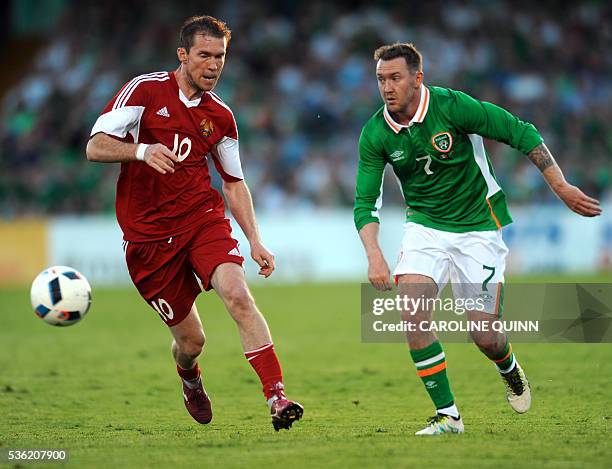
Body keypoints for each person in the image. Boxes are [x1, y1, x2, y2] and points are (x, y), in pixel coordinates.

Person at [354, 42, 601, 436]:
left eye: (396, 77)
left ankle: (509, 367)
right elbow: (365, 202)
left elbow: (519, 131)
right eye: (381, 79)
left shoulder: (453, 107)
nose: (387, 87)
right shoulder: (375, 133)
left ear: (418, 78)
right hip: (425, 228)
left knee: (484, 335)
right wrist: (374, 256)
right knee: (412, 316)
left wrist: (561, 186)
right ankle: (448, 415)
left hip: (477, 228)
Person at [86, 15, 303, 431]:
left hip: (201, 220)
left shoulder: (220, 116)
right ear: (183, 55)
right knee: (192, 342)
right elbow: (94, 146)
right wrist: (140, 151)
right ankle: (189, 376)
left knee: (238, 295)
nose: (214, 65)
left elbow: (235, 183)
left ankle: (277, 397)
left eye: (220, 56)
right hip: (147, 240)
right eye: (204, 55)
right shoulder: (145, 91)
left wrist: (255, 239)